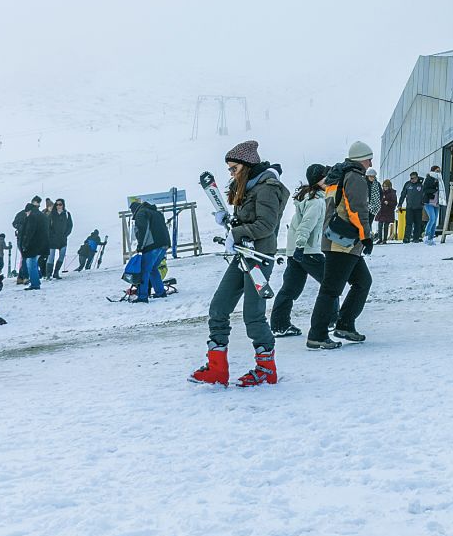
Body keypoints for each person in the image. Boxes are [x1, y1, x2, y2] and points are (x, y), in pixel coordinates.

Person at [191, 141, 290, 387]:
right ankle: (217, 368)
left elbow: (265, 226)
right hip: (243, 255)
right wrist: (230, 222)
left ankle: (266, 369)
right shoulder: (249, 186)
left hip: (259, 258)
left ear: (247, 165)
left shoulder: (268, 187)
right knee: (218, 307)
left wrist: (235, 234)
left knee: (253, 316)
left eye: (234, 168)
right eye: (229, 169)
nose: (231, 173)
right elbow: (248, 221)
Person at [305, 142, 377, 349]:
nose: (370, 162)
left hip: (337, 239)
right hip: (343, 242)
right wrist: (366, 236)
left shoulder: (337, 175)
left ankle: (345, 324)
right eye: (368, 158)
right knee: (331, 290)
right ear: (360, 159)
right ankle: (317, 335)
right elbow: (357, 210)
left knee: (363, 281)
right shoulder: (354, 177)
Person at [271, 166, 328, 337]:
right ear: (318, 181)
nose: (329, 181)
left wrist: (296, 249)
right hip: (308, 251)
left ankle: (280, 325)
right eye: (326, 178)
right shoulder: (316, 202)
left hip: (295, 251)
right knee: (330, 285)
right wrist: (301, 246)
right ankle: (332, 320)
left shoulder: (307, 199)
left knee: (290, 289)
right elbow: (306, 226)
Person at [129, 197, 171, 301]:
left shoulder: (141, 214)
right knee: (153, 269)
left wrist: (140, 246)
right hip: (164, 244)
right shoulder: (156, 212)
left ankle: (142, 296)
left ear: (134, 210)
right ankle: (160, 292)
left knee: (144, 270)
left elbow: (144, 230)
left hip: (152, 245)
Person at [13, 196, 51, 289]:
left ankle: (34, 283)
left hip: (33, 245)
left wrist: (25, 244)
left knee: (31, 264)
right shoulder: (42, 215)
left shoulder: (32, 216)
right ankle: (33, 280)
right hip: (43, 244)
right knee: (32, 263)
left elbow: (30, 232)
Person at [48, 198, 74, 278]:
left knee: (62, 256)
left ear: (63, 205)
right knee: (51, 257)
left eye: (60, 204)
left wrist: (66, 234)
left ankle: (56, 273)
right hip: (52, 239)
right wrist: (51, 235)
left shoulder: (67, 214)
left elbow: (70, 226)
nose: (58, 206)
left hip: (62, 239)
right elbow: (48, 227)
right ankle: (48, 275)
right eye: (57, 204)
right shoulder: (51, 215)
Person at [401, 172, 427, 244]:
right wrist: (400, 203)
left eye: (414, 178)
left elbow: (425, 193)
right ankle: (406, 238)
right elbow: (403, 194)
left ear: (417, 177)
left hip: (418, 207)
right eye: (411, 178)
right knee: (408, 223)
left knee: (417, 223)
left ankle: (416, 238)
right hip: (409, 207)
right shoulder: (407, 184)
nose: (412, 180)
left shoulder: (421, 184)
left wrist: (423, 202)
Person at [423, 166, 442, 245]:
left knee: (434, 221)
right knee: (432, 218)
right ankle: (426, 234)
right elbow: (425, 189)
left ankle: (430, 238)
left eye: (439, 171)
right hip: (429, 202)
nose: (438, 172)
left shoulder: (439, 180)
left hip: (436, 203)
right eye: (437, 171)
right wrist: (435, 189)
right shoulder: (429, 178)